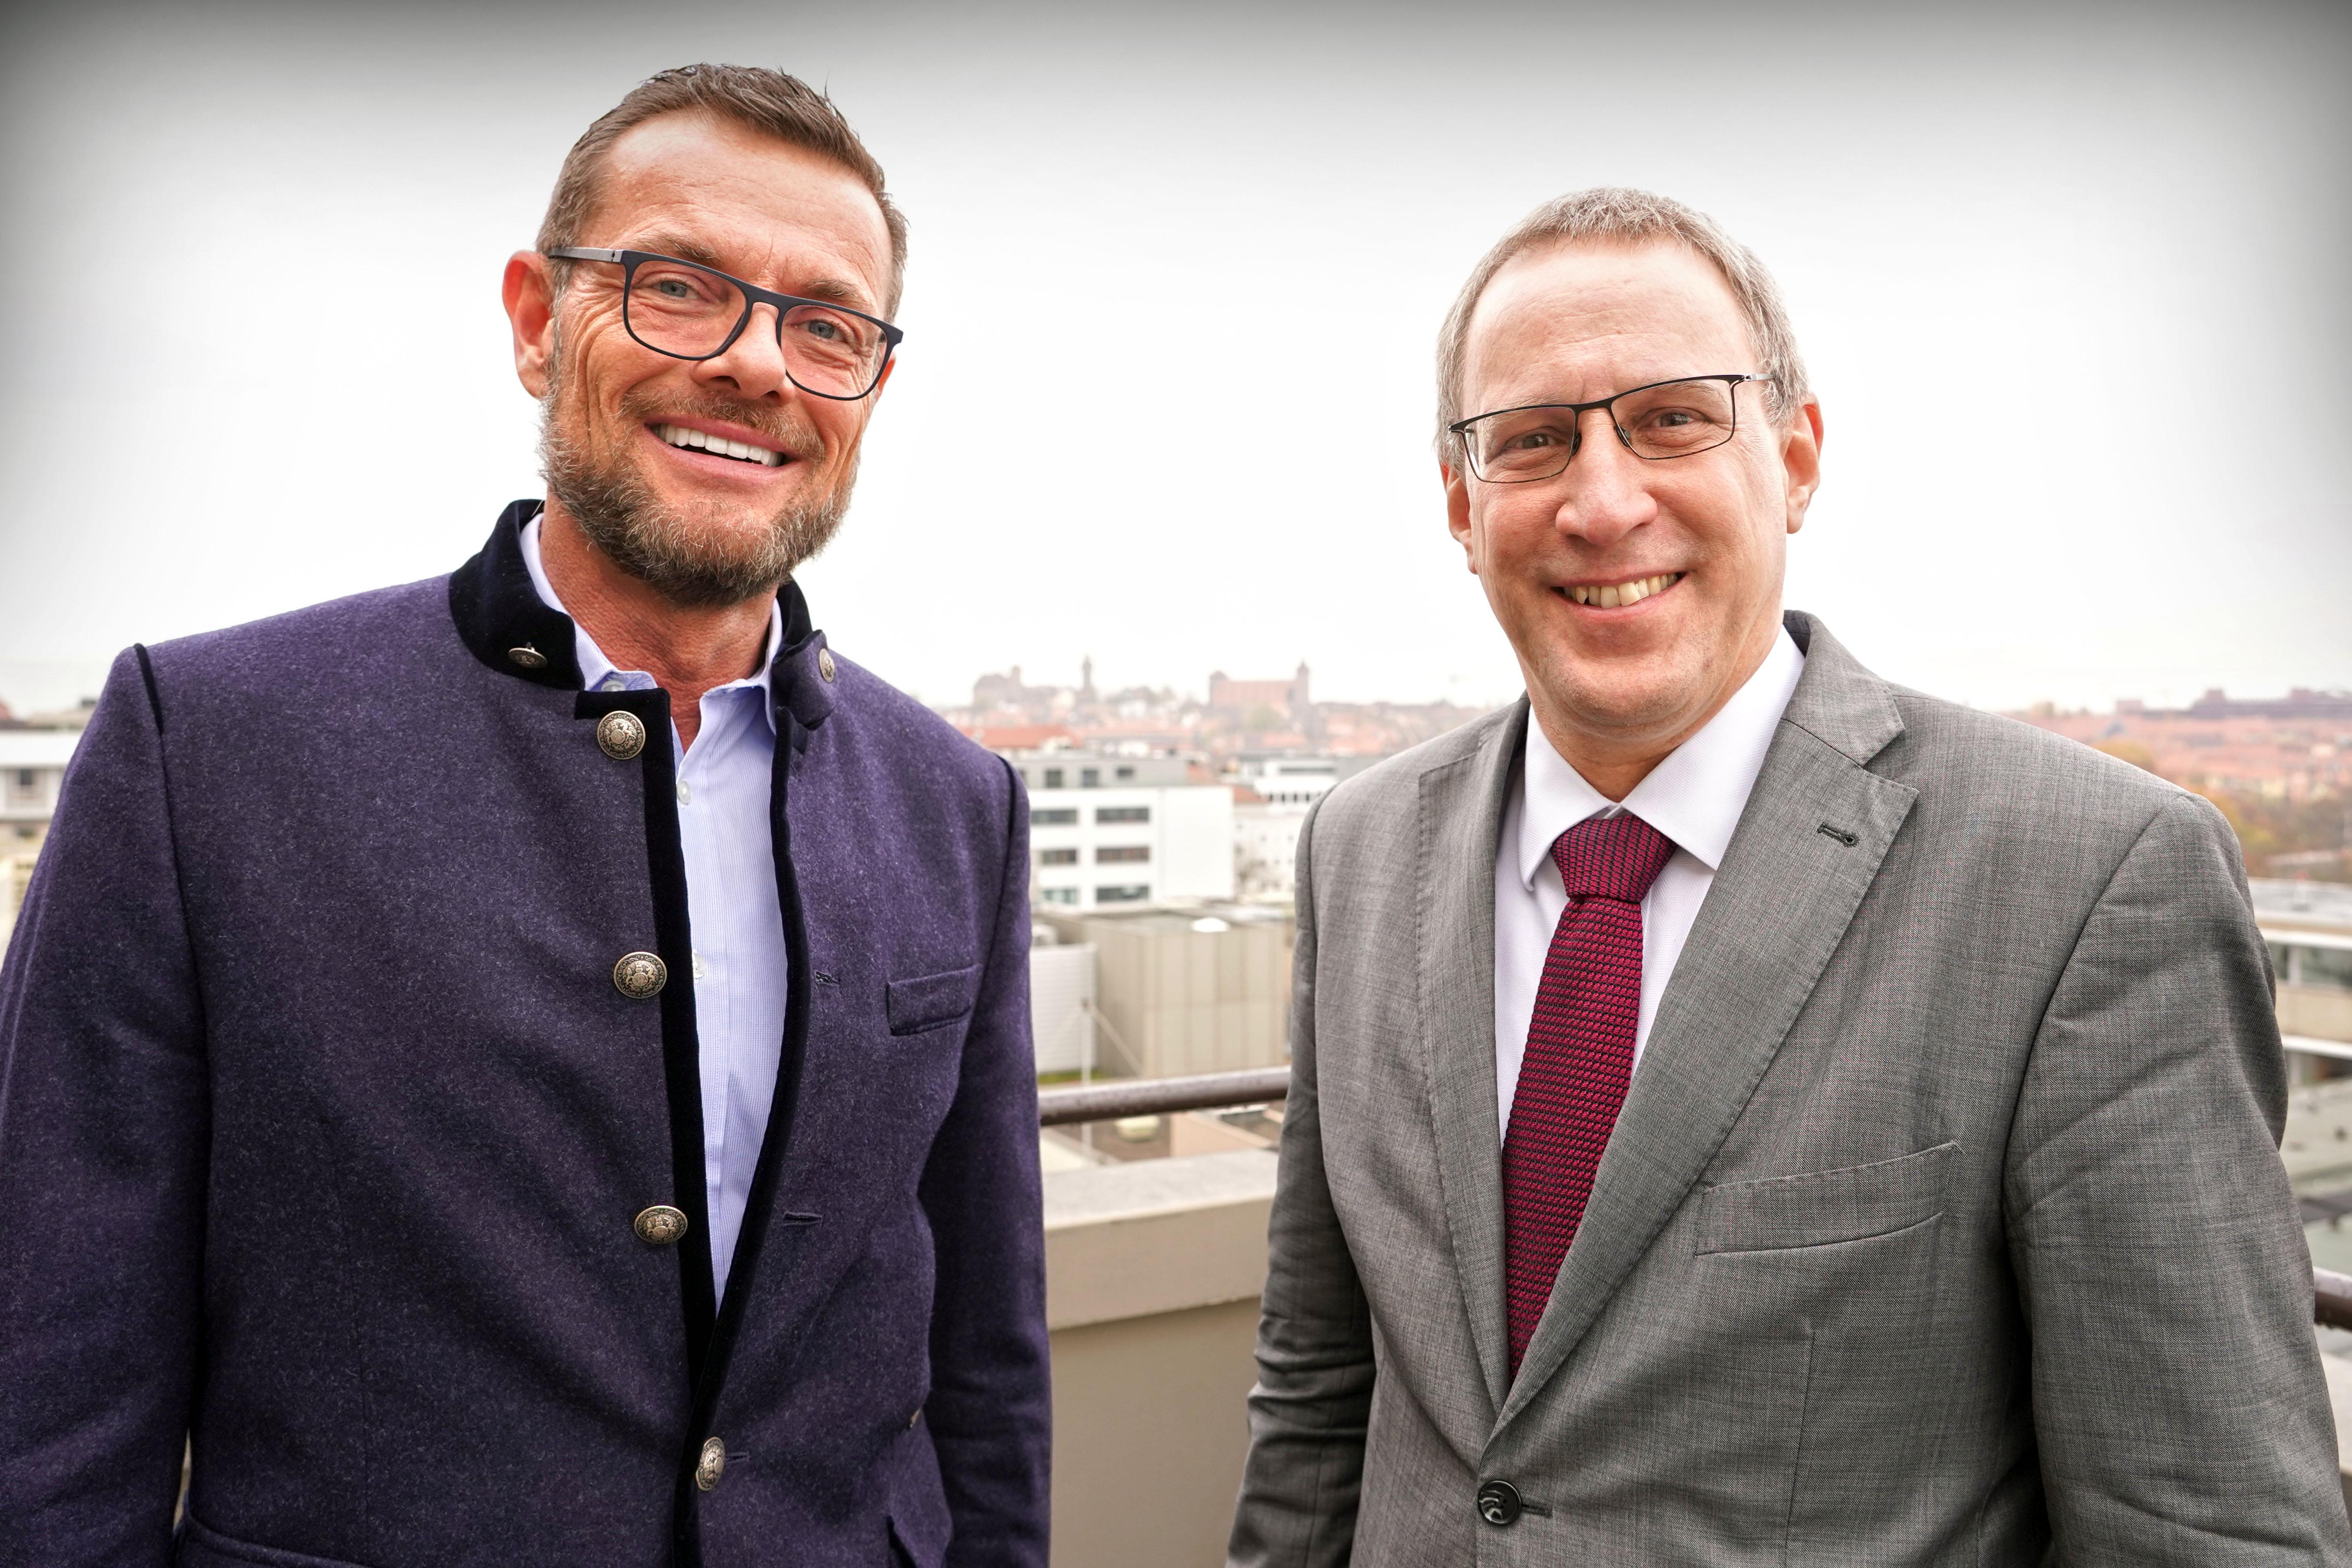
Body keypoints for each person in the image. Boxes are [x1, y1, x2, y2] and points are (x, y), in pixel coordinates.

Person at [0, 65, 1048, 1568]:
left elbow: (984, 1355)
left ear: (869, 388)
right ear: (534, 319)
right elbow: (51, 1368)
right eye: (678, 288)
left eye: (828, 326)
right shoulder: (207, 744)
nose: (758, 364)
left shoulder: (958, 803)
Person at [1227, 187, 2349, 1564]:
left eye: (1671, 419)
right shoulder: (1357, 846)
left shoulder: (2088, 878)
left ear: (1797, 459)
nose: (1602, 502)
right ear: (1463, 505)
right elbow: (1317, 1392)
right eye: (1531, 439)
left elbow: (2207, 1521)